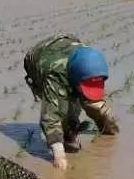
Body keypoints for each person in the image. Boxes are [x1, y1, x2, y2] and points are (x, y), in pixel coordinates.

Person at [23, 34, 119, 170]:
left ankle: (74, 131)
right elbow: (51, 117)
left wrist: (111, 132)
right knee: (65, 107)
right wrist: (59, 155)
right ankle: (67, 136)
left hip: (70, 52)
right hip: (37, 60)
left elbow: (96, 102)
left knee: (90, 102)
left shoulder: (92, 64)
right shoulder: (54, 73)